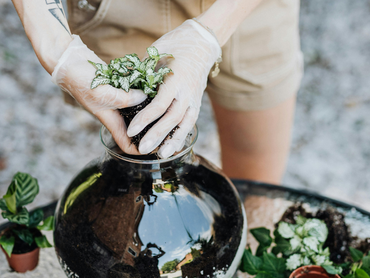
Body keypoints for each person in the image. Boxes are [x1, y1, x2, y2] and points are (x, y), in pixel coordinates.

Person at [11, 0, 302, 184]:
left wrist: (207, 36)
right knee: (135, 172)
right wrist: (55, 47)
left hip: (247, 9)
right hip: (121, 9)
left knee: (255, 181)